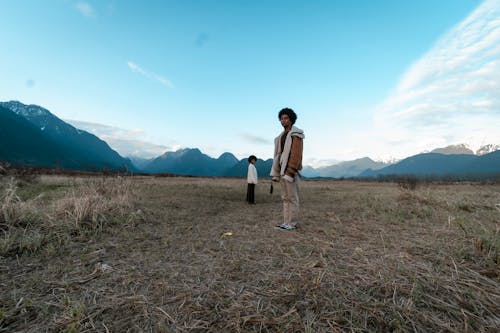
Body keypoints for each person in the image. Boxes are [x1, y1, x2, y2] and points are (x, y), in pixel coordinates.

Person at [270, 108, 305, 230]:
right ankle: (286, 222)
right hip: (281, 170)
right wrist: (277, 171)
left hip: (290, 171)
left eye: (286, 118)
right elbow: (278, 155)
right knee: (285, 198)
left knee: (292, 198)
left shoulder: (296, 134)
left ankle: (292, 223)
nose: (283, 121)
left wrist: (291, 171)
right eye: (281, 118)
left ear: (291, 119)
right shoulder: (281, 136)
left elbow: (296, 154)